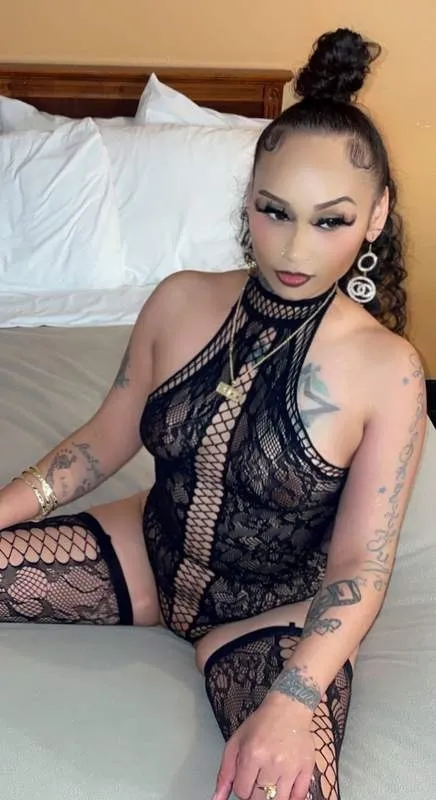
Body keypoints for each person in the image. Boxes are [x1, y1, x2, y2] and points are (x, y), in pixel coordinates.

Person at [0, 27, 427, 800]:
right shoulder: (178, 301)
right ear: (249, 201)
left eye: (330, 220)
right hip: (146, 554)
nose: (294, 248)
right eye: (275, 211)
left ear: (375, 216)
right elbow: (103, 442)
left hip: (272, 616)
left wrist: (292, 701)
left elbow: (360, 566)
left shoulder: (389, 371)